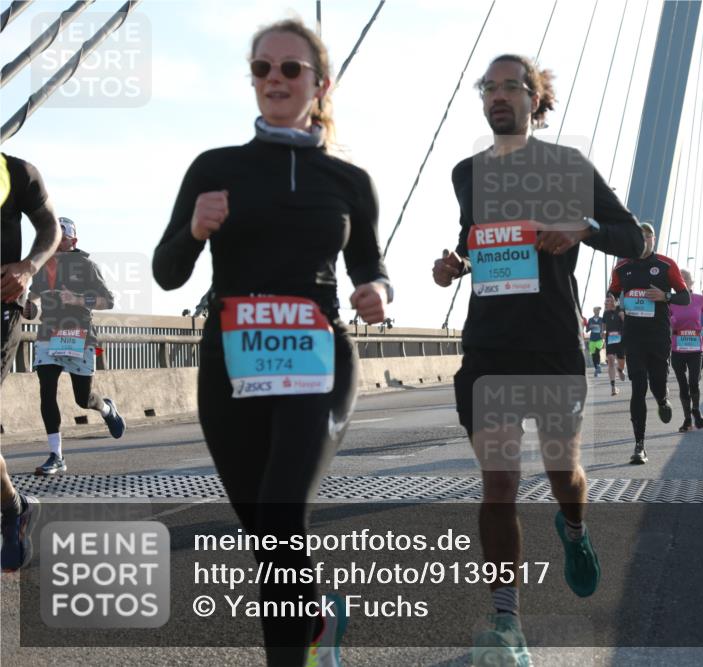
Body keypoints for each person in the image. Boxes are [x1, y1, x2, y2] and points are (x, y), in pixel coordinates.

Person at [153, 19, 391, 667]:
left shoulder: (349, 180)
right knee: (266, 536)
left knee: (282, 512)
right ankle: (313, 622)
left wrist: (377, 292)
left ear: (320, 84)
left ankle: (307, 629)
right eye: (262, 68)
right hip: (230, 363)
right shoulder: (215, 168)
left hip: (318, 359)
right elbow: (167, 272)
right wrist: (195, 231)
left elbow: (369, 266)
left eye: (290, 68)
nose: (275, 79)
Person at [432, 53, 644, 666]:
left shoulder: (567, 166)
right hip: (489, 347)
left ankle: (573, 529)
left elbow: (633, 238)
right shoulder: (467, 174)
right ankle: (507, 623)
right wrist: (455, 265)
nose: (499, 95)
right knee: (499, 484)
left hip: (551, 345)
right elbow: (477, 242)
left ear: (536, 100)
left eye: (512, 86)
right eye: (489, 87)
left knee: (562, 476)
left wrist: (581, 228)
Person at [29, 217, 127, 475]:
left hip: (79, 336)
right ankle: (56, 455)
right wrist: (29, 308)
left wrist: (77, 299)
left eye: (62, 238)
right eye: (54, 237)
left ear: (73, 240)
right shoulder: (43, 265)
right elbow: (33, 296)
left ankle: (106, 408)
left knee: (83, 399)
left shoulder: (86, 266)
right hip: (48, 335)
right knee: (47, 391)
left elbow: (108, 301)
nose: (57, 242)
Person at [1, 152, 59, 572]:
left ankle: (13, 509)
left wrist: (29, 267)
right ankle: (13, 505)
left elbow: (49, 226)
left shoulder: (18, 172)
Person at [608, 222, 690, 464]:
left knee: (657, 383)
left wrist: (665, 296)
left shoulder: (666, 265)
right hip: (633, 335)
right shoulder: (622, 267)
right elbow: (613, 292)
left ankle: (662, 400)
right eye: (639, 236)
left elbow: (684, 297)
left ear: (653, 239)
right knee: (638, 387)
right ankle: (639, 445)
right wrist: (612, 302)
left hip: (658, 335)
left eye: (647, 236)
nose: (643, 240)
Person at [669, 270, 703, 431]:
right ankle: (687, 420)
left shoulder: (700, 299)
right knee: (683, 385)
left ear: (691, 282)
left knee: (693, 382)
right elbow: (664, 320)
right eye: (679, 278)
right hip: (677, 347)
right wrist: (670, 320)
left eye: (685, 278)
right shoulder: (670, 300)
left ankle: (696, 409)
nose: (682, 280)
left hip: (695, 347)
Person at [602, 293, 626, 396]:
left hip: (621, 341)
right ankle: (613, 387)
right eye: (605, 301)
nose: (605, 303)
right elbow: (603, 325)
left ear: (613, 302)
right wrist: (603, 332)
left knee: (621, 362)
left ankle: (620, 369)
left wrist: (623, 316)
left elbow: (626, 324)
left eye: (607, 301)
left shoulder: (620, 311)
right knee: (611, 360)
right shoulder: (605, 313)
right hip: (610, 340)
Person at [585, 306, 604, 376]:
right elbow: (587, 330)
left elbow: (604, 328)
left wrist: (602, 331)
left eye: (598, 311)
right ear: (594, 311)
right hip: (592, 339)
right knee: (593, 355)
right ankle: (596, 368)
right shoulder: (590, 320)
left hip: (599, 338)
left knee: (597, 352)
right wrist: (590, 327)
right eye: (596, 310)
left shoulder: (602, 319)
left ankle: (598, 365)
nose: (597, 312)